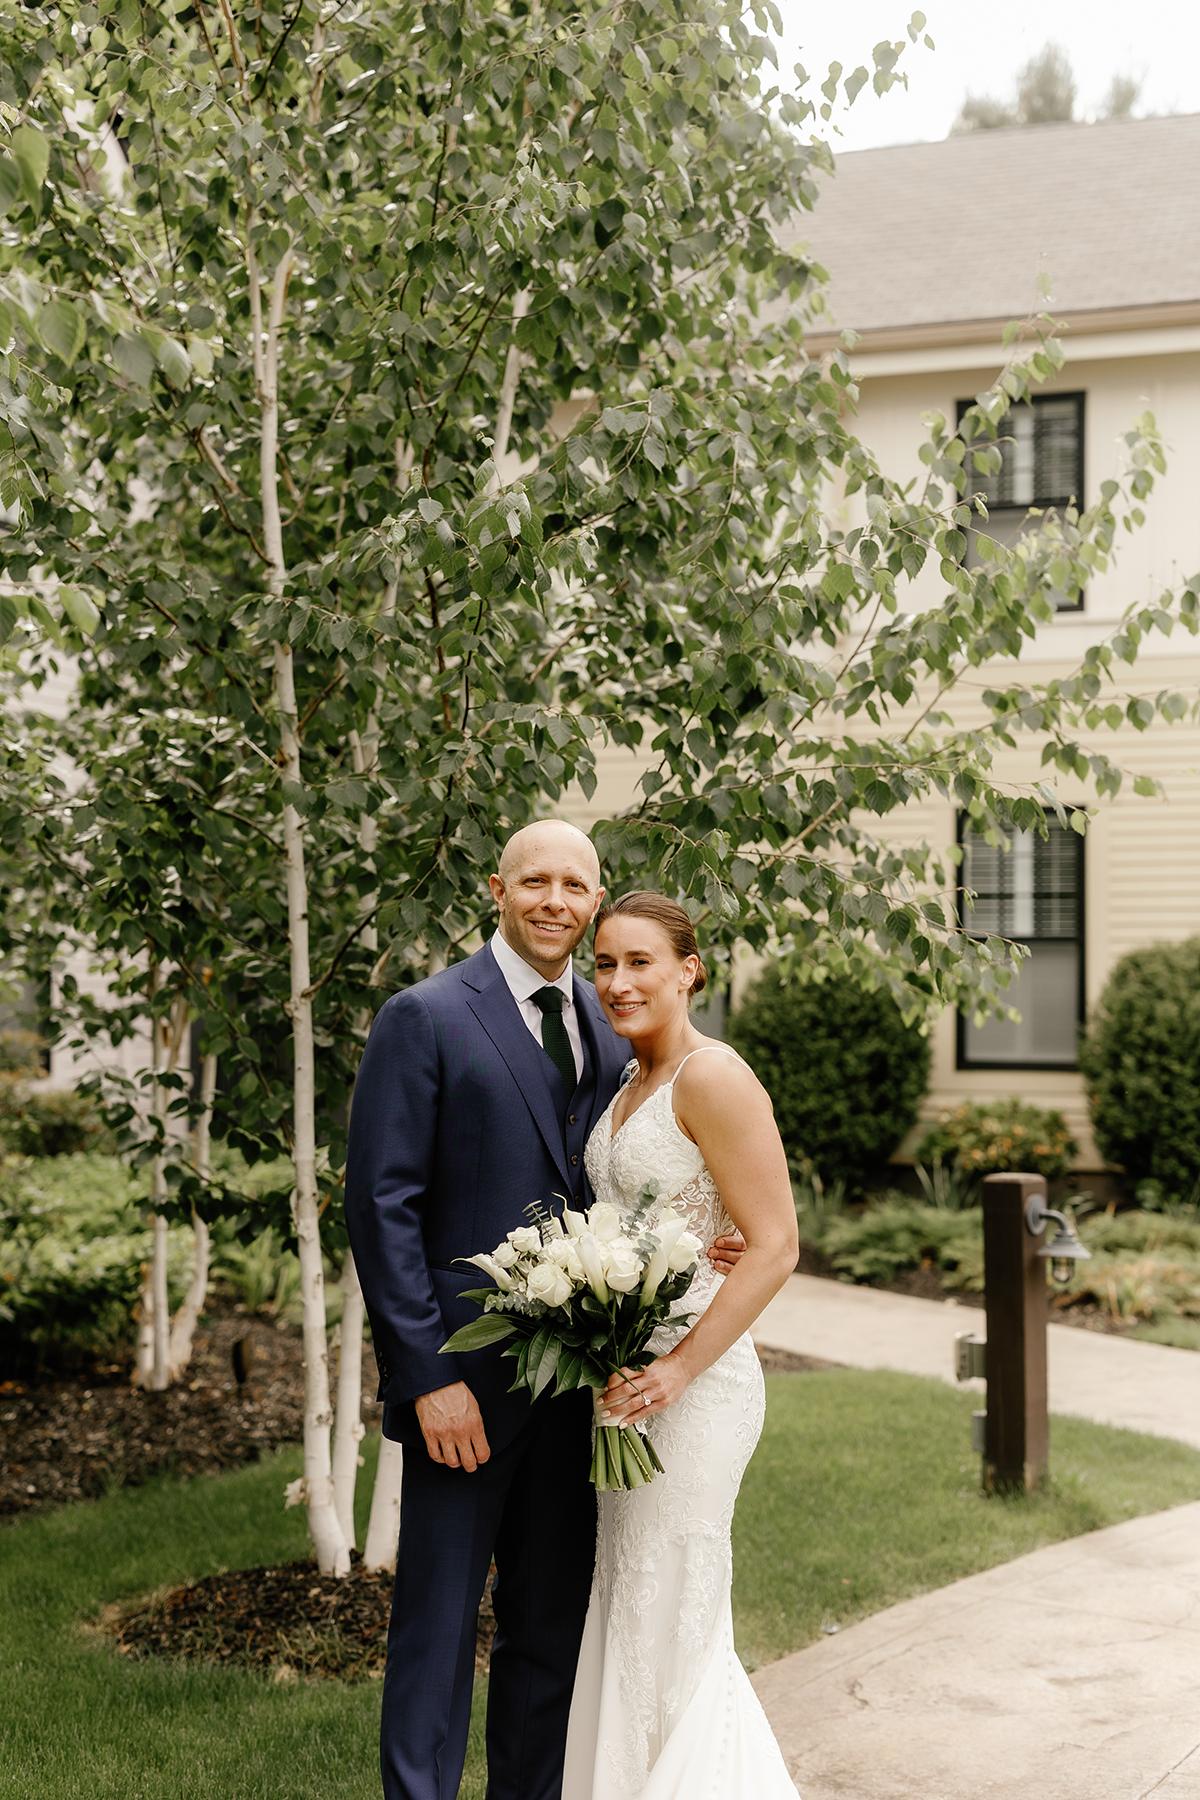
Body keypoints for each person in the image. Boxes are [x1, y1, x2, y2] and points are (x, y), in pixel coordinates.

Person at [344, 823, 744, 1800]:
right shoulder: (426, 1015)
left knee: (549, 1640)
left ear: (596, 897)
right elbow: (379, 1206)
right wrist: (428, 1377)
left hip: (584, 1397)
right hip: (463, 1400)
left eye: (576, 884)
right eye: (536, 881)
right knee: (436, 1637)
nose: (555, 900)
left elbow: (661, 1165)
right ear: (498, 888)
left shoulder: (622, 1022)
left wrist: (703, 1238)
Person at [562, 890, 800, 1799]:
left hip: (695, 1386)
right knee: (630, 1598)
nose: (618, 983)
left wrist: (676, 1368)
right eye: (607, 964)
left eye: (640, 963)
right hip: (624, 1377)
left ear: (690, 969)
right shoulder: (628, 1083)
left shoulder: (713, 1075)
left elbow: (775, 1243)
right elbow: (672, 1219)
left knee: (676, 1603)